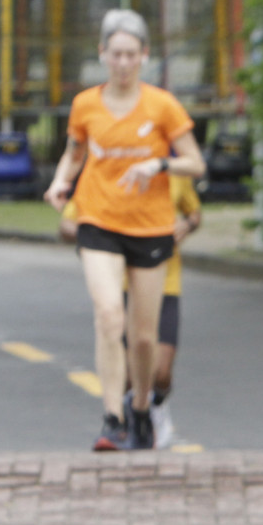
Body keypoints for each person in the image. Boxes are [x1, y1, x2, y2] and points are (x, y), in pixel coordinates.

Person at [44, 9, 206, 451]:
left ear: (144, 57)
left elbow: (196, 162)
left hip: (151, 227)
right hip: (98, 221)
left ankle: (139, 411)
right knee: (108, 315)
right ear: (102, 55)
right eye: (115, 54)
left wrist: (159, 163)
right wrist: (61, 182)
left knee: (143, 335)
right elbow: (74, 155)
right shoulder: (85, 105)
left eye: (131, 55)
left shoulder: (162, 106)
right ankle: (111, 418)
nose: (122, 63)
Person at [58, 173, 202, 448]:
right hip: (115, 280)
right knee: (124, 373)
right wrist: (100, 239)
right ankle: (124, 421)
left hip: (162, 278)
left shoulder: (171, 172)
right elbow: (66, 223)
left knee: (160, 371)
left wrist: (187, 224)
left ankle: (154, 406)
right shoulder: (102, 170)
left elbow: (194, 214)